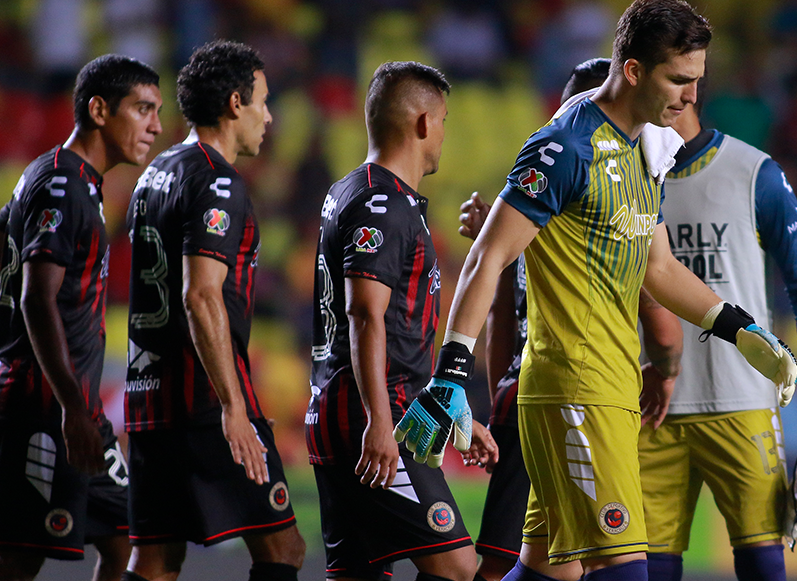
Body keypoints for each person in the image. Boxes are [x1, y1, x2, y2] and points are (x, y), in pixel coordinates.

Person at [394, 2, 797, 581]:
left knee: (548, 571)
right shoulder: (565, 146)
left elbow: (658, 267)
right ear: (633, 71)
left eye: (696, 82)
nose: (689, 98)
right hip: (573, 390)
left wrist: (740, 329)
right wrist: (451, 373)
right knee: (626, 569)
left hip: (608, 392)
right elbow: (489, 253)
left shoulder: (642, 146)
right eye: (678, 81)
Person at [457, 58, 684, 581]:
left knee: (544, 564)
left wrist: (498, 400)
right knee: (613, 562)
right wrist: (666, 368)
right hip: (581, 389)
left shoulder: (537, 190)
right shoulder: (604, 191)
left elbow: (500, 313)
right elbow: (661, 316)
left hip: (528, 389)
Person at [306, 60, 500, 581]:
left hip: (356, 411)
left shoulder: (353, 191)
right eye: (443, 121)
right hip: (375, 418)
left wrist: (458, 422)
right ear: (421, 123)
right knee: (459, 569)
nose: (443, 135)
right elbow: (365, 316)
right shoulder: (382, 204)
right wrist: (379, 422)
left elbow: (400, 337)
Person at [637, 91, 797, 581]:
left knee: (762, 566)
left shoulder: (754, 172)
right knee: (648, 569)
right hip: (650, 407)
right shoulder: (627, 177)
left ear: (683, 93)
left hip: (742, 400)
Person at [122, 40, 305, 581]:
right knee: (284, 550)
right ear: (233, 103)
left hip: (148, 396)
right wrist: (234, 407)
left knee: (155, 559)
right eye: (263, 102)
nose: (268, 116)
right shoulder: (217, 179)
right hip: (203, 401)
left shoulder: (155, 172)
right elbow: (201, 294)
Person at [0, 54, 162, 581]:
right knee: (20, 558)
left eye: (157, 111)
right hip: (45, 410)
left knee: (130, 535)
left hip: (76, 411)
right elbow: (35, 299)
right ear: (98, 110)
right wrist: (72, 408)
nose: (156, 125)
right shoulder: (62, 186)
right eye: (142, 109)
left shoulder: (69, 181)